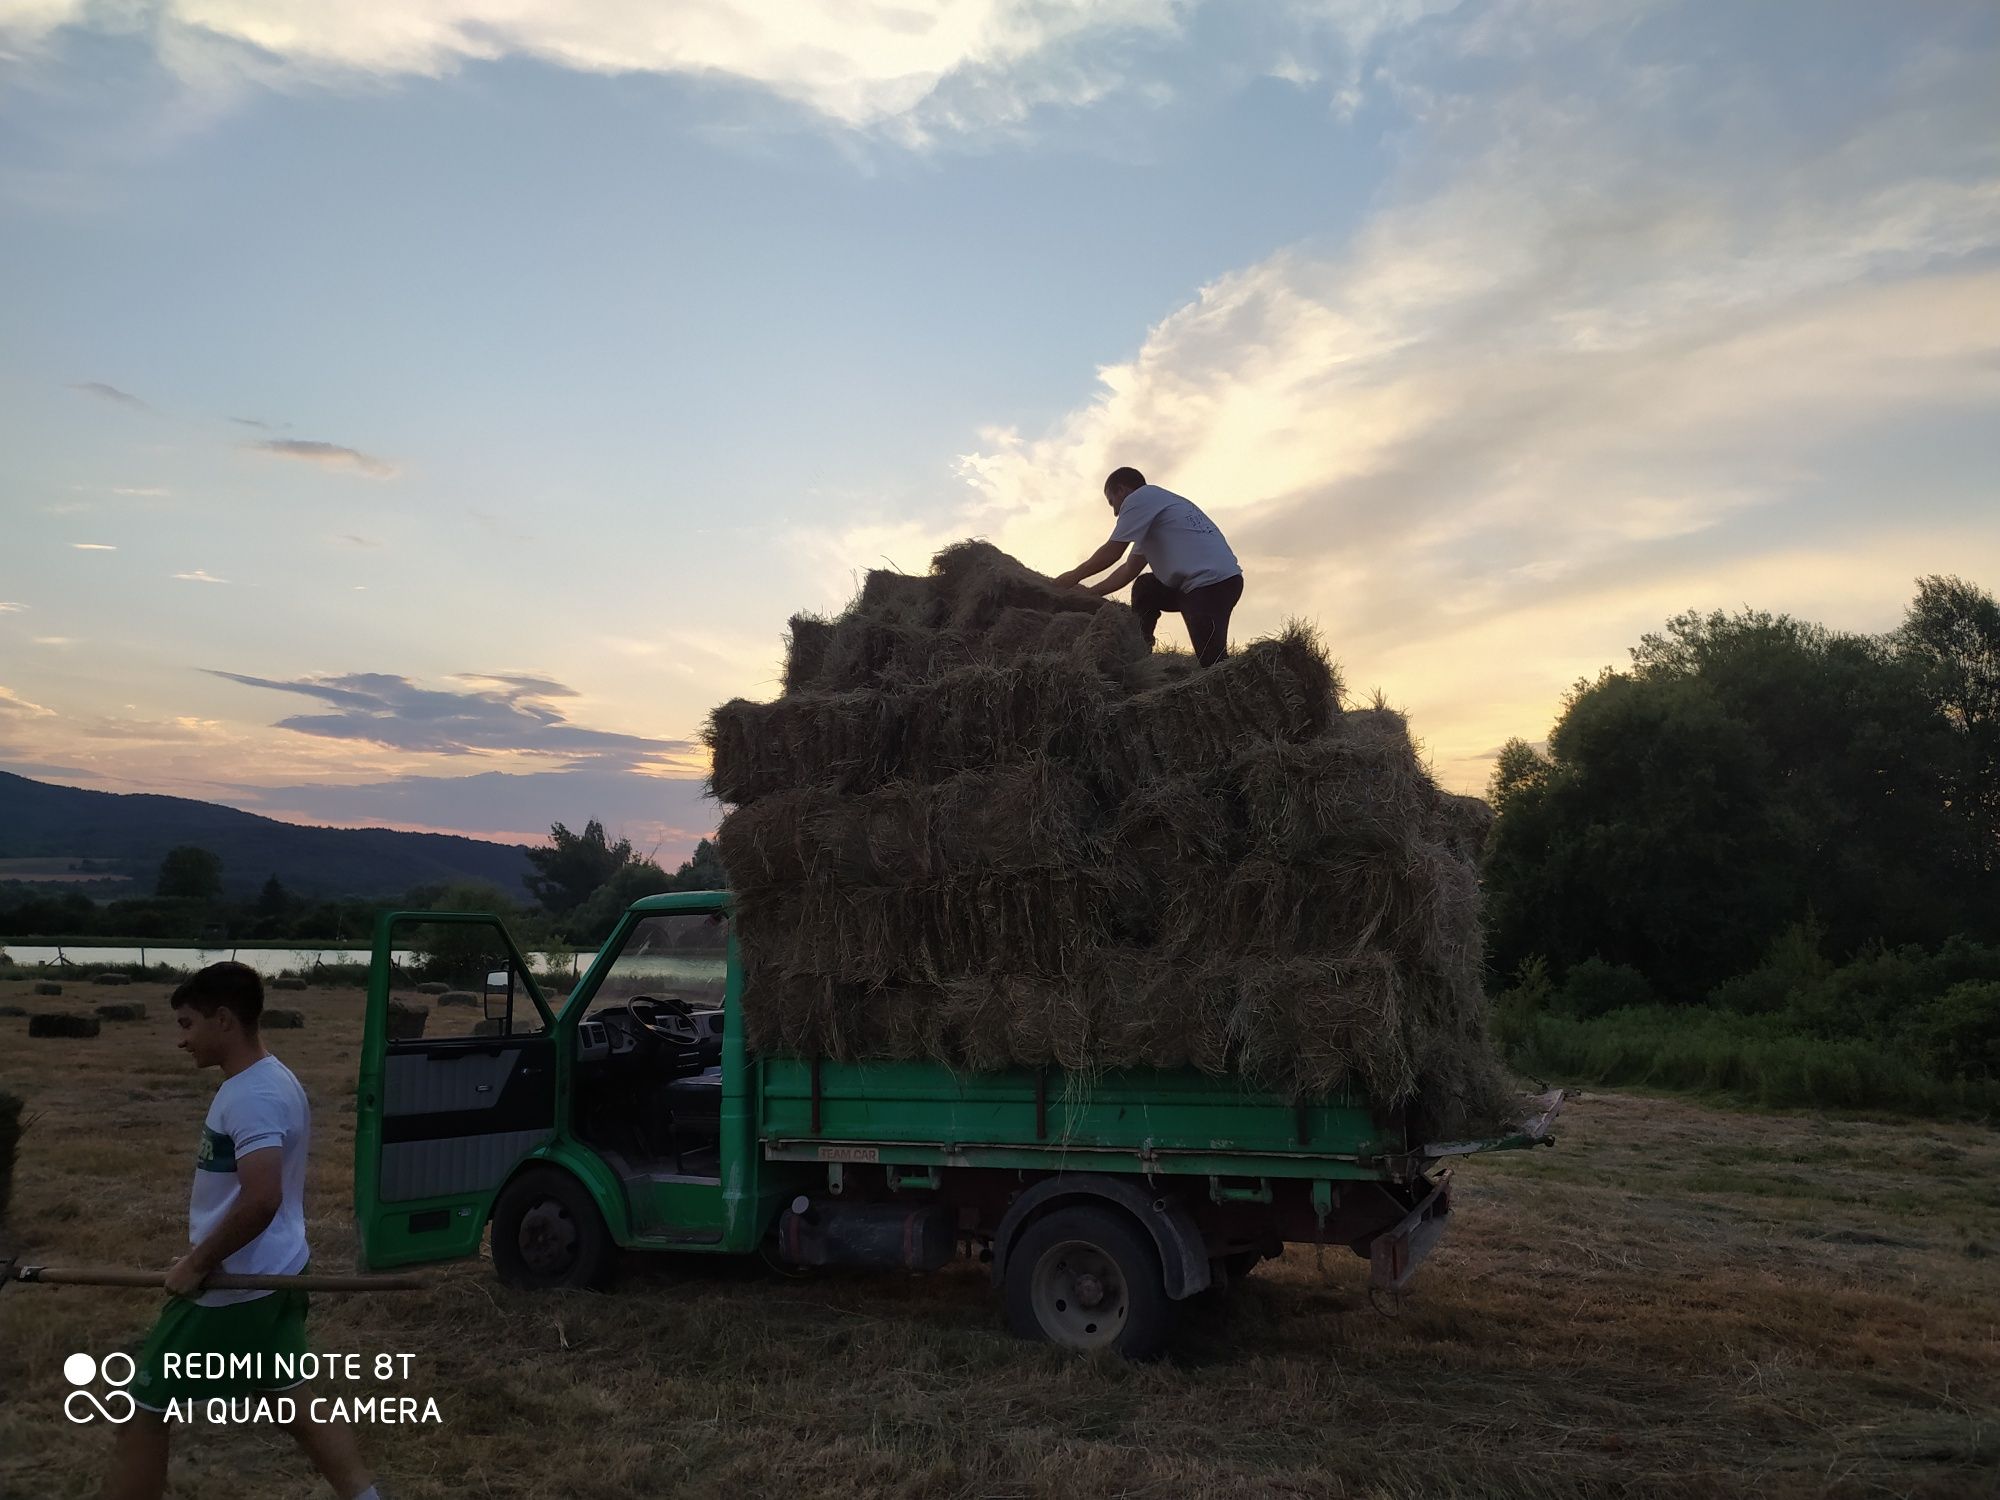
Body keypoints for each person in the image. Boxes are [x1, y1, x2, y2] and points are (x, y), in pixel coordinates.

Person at [105, 962, 381, 1500]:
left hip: (239, 1283)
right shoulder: (268, 1079)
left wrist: (198, 1263)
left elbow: (262, 1199)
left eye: (188, 1024)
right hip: (276, 1268)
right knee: (291, 1397)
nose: (181, 1040)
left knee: (144, 1407)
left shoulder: (252, 1096)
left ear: (224, 1020)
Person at [1054, 467, 1244, 666]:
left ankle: (1231, 689)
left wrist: (1071, 578)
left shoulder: (1140, 499)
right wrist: (1091, 594)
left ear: (1122, 490)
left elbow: (1112, 552)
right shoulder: (1157, 509)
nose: (1116, 512)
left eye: (1112, 503)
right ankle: (1139, 650)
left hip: (1211, 585)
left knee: (1212, 662)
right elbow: (1128, 569)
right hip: (1200, 585)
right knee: (1146, 587)